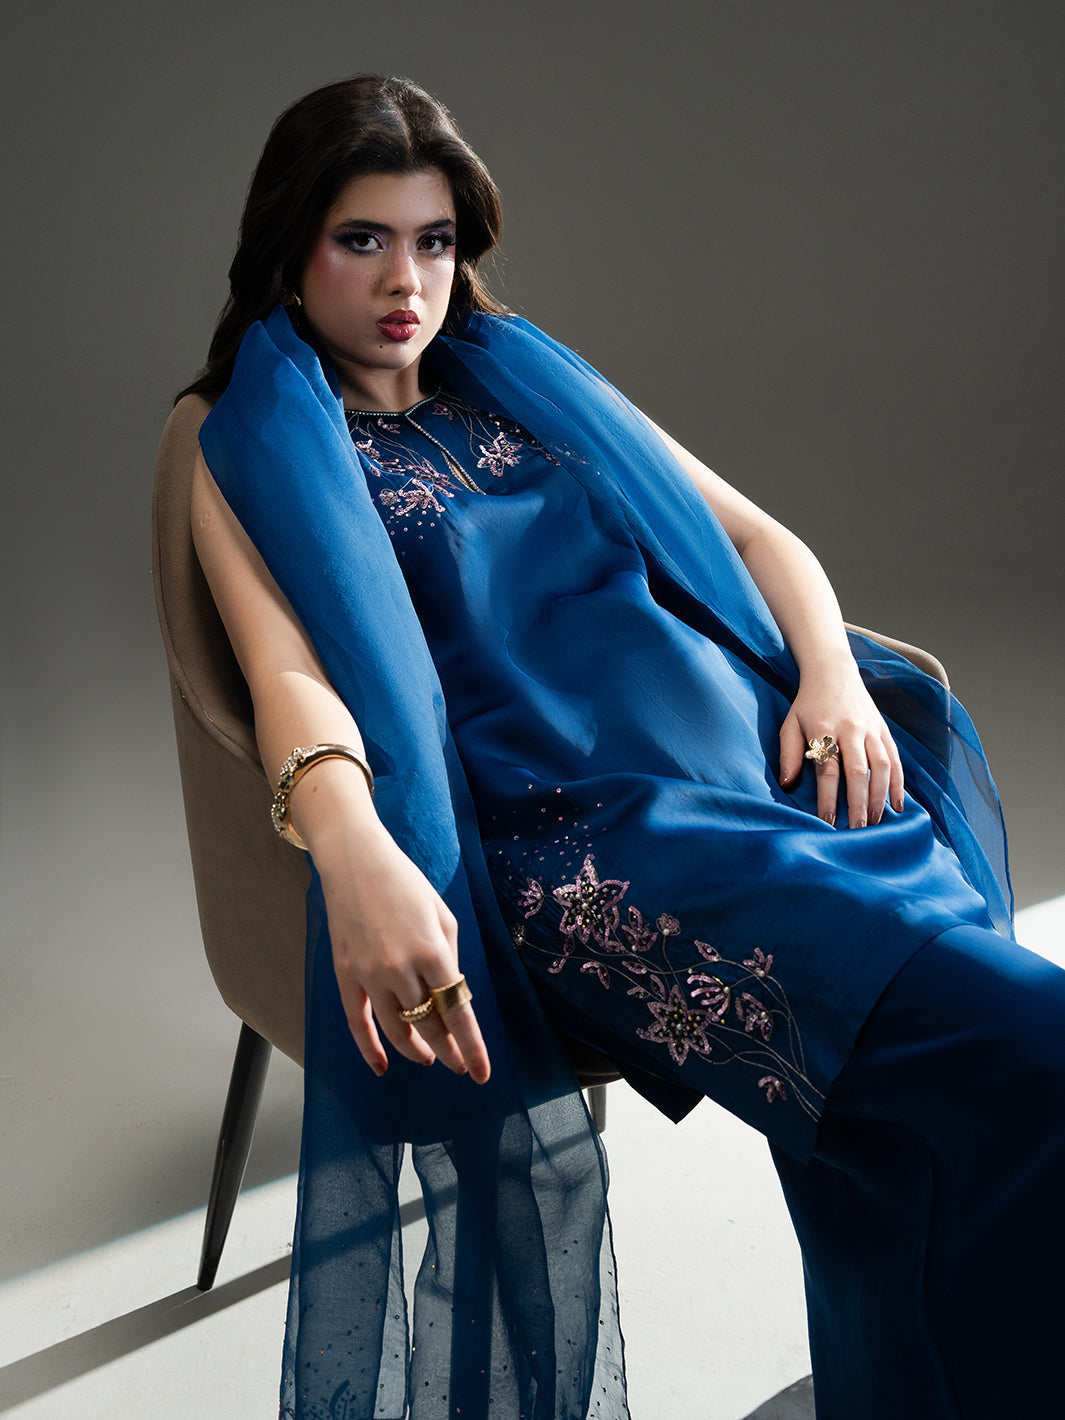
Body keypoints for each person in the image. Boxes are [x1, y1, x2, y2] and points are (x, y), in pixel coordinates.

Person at [170, 75, 1064, 1420]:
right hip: (594, 844)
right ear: (291, 246)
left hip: (764, 772)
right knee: (1030, 1054)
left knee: (917, 1115)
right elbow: (288, 678)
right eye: (363, 239)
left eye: (433, 240)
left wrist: (830, 680)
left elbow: (756, 538)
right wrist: (354, 850)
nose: (407, 281)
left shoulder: (521, 376)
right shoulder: (247, 442)